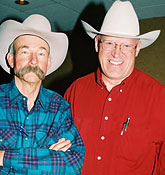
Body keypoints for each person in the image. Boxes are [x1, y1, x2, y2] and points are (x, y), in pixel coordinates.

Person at [0, 14, 85, 175]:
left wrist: (3, 156)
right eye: (24, 52)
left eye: (41, 54)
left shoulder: (60, 107)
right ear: (11, 59)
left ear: (48, 63)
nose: (33, 61)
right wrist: (48, 156)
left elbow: (73, 165)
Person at [64, 1, 165, 174]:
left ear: (137, 48)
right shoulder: (75, 90)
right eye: (109, 43)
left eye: (126, 45)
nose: (116, 53)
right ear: (97, 44)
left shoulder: (159, 96)